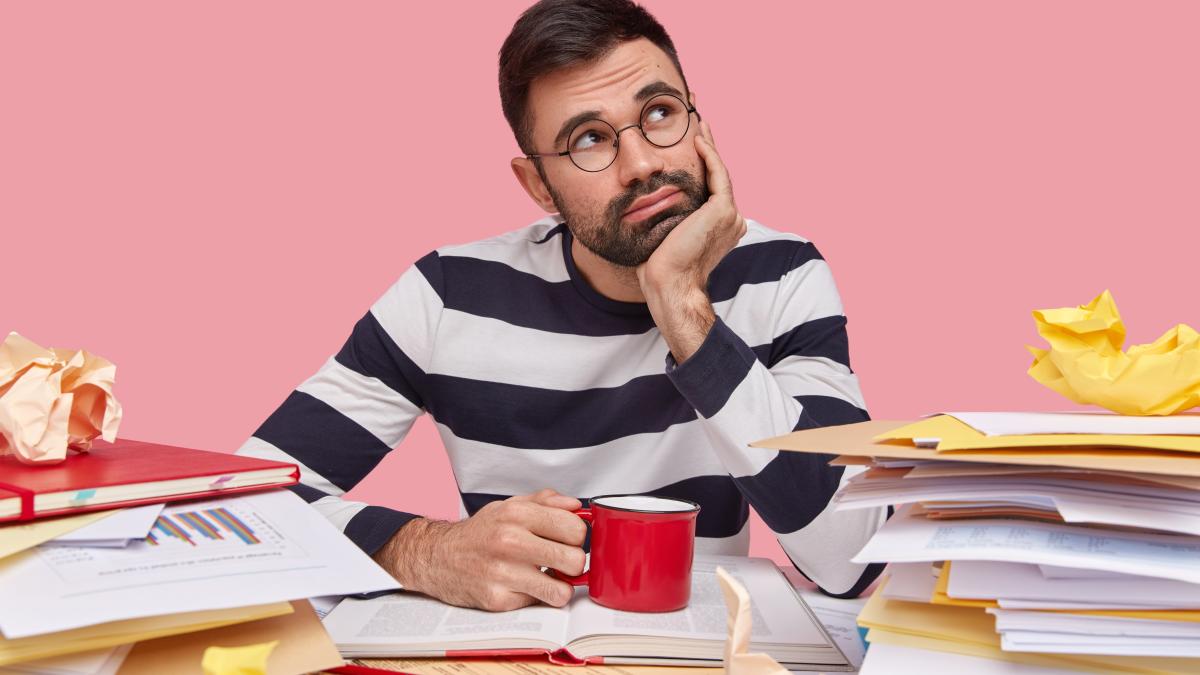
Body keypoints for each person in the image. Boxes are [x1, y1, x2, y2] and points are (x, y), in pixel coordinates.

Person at [236, 0, 887, 612]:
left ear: (700, 123)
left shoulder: (782, 274)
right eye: (588, 139)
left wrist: (682, 305)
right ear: (538, 185)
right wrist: (425, 552)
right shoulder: (448, 296)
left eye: (659, 112)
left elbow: (849, 556)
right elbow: (243, 505)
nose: (639, 163)